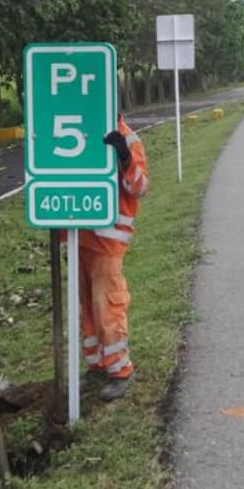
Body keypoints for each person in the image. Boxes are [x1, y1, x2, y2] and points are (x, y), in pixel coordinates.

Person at [79, 113, 149, 402]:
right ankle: (97, 365)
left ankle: (120, 370)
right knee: (87, 308)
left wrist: (123, 155)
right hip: (78, 234)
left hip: (109, 238)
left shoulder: (126, 135)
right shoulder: (77, 125)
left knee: (106, 305)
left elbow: (141, 187)